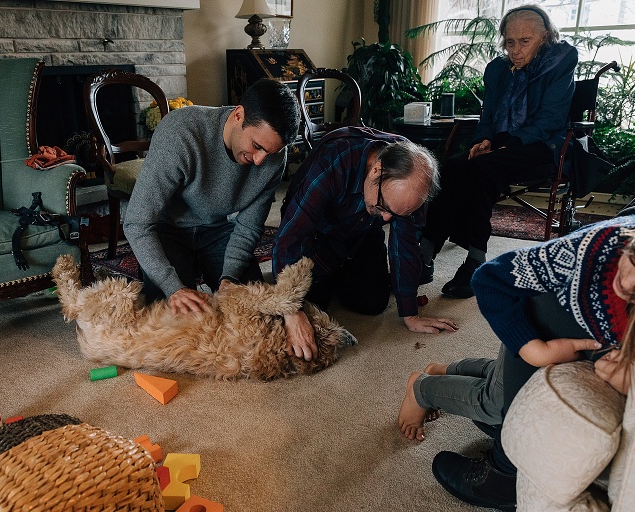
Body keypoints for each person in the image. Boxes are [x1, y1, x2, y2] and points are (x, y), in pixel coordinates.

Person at [397, 195, 635, 511]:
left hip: (565, 331)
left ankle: (446, 370)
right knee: (497, 404)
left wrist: (620, 363)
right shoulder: (593, 248)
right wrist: (533, 349)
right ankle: (422, 390)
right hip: (532, 318)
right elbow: (490, 278)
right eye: (634, 261)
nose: (627, 283)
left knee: (498, 380)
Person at [419, 5, 579, 299]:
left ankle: (475, 262)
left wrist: (505, 143)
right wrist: (484, 139)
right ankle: (425, 251)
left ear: (544, 38)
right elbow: (488, 115)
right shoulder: (498, 70)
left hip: (542, 146)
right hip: (502, 146)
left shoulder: (560, 64)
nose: (515, 50)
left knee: (481, 169)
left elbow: (550, 121)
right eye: (510, 41)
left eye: (525, 41)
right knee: (453, 167)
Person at [272, 126, 458, 362]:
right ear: (376, 170)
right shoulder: (334, 159)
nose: (388, 219)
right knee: (307, 309)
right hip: (316, 234)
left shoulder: (413, 182)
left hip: (361, 233)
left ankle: (338, 270)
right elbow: (290, 237)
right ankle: (328, 273)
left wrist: (410, 314)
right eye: (383, 205)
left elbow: (405, 245)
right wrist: (291, 308)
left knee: (372, 303)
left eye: (397, 214)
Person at [124, 78, 300, 315]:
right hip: (169, 230)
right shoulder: (180, 132)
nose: (260, 161)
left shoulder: (274, 156)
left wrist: (229, 278)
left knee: (256, 312)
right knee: (173, 319)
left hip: (217, 229)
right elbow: (137, 223)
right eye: (257, 146)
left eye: (270, 153)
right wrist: (172, 287)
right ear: (239, 115)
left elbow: (248, 227)